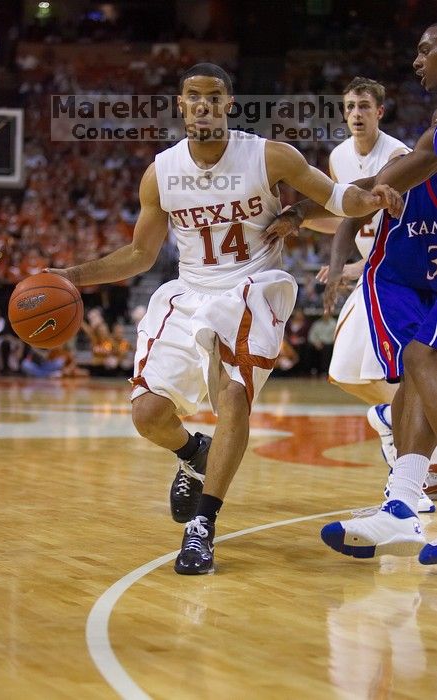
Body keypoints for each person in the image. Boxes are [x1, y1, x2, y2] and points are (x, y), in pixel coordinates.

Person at [47, 63, 401, 575]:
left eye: (214, 96)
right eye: (194, 96)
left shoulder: (269, 155)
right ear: (181, 104)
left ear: (229, 103)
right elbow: (141, 255)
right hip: (189, 290)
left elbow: (333, 197)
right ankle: (195, 452)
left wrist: (369, 198)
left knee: (232, 394)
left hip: (251, 286)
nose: (204, 105)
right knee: (147, 415)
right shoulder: (161, 173)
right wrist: (71, 275)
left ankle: (203, 526)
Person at [270, 25, 437, 561]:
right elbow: (361, 200)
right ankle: (405, 506)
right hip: (409, 266)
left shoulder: (409, 147)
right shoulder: (422, 134)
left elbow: (379, 190)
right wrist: (328, 232)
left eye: (426, 49)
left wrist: (304, 209)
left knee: (417, 364)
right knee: (415, 360)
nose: (417, 59)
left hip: (404, 260)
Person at [305, 78, 437, 509]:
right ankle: (396, 430)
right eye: (349, 106)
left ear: (380, 111)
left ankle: (412, 464)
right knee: (347, 371)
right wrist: (305, 221)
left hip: (397, 269)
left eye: (364, 105)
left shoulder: (401, 155)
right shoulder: (339, 157)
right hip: (375, 270)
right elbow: (346, 212)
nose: (356, 113)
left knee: (412, 365)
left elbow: (400, 224)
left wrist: (355, 265)